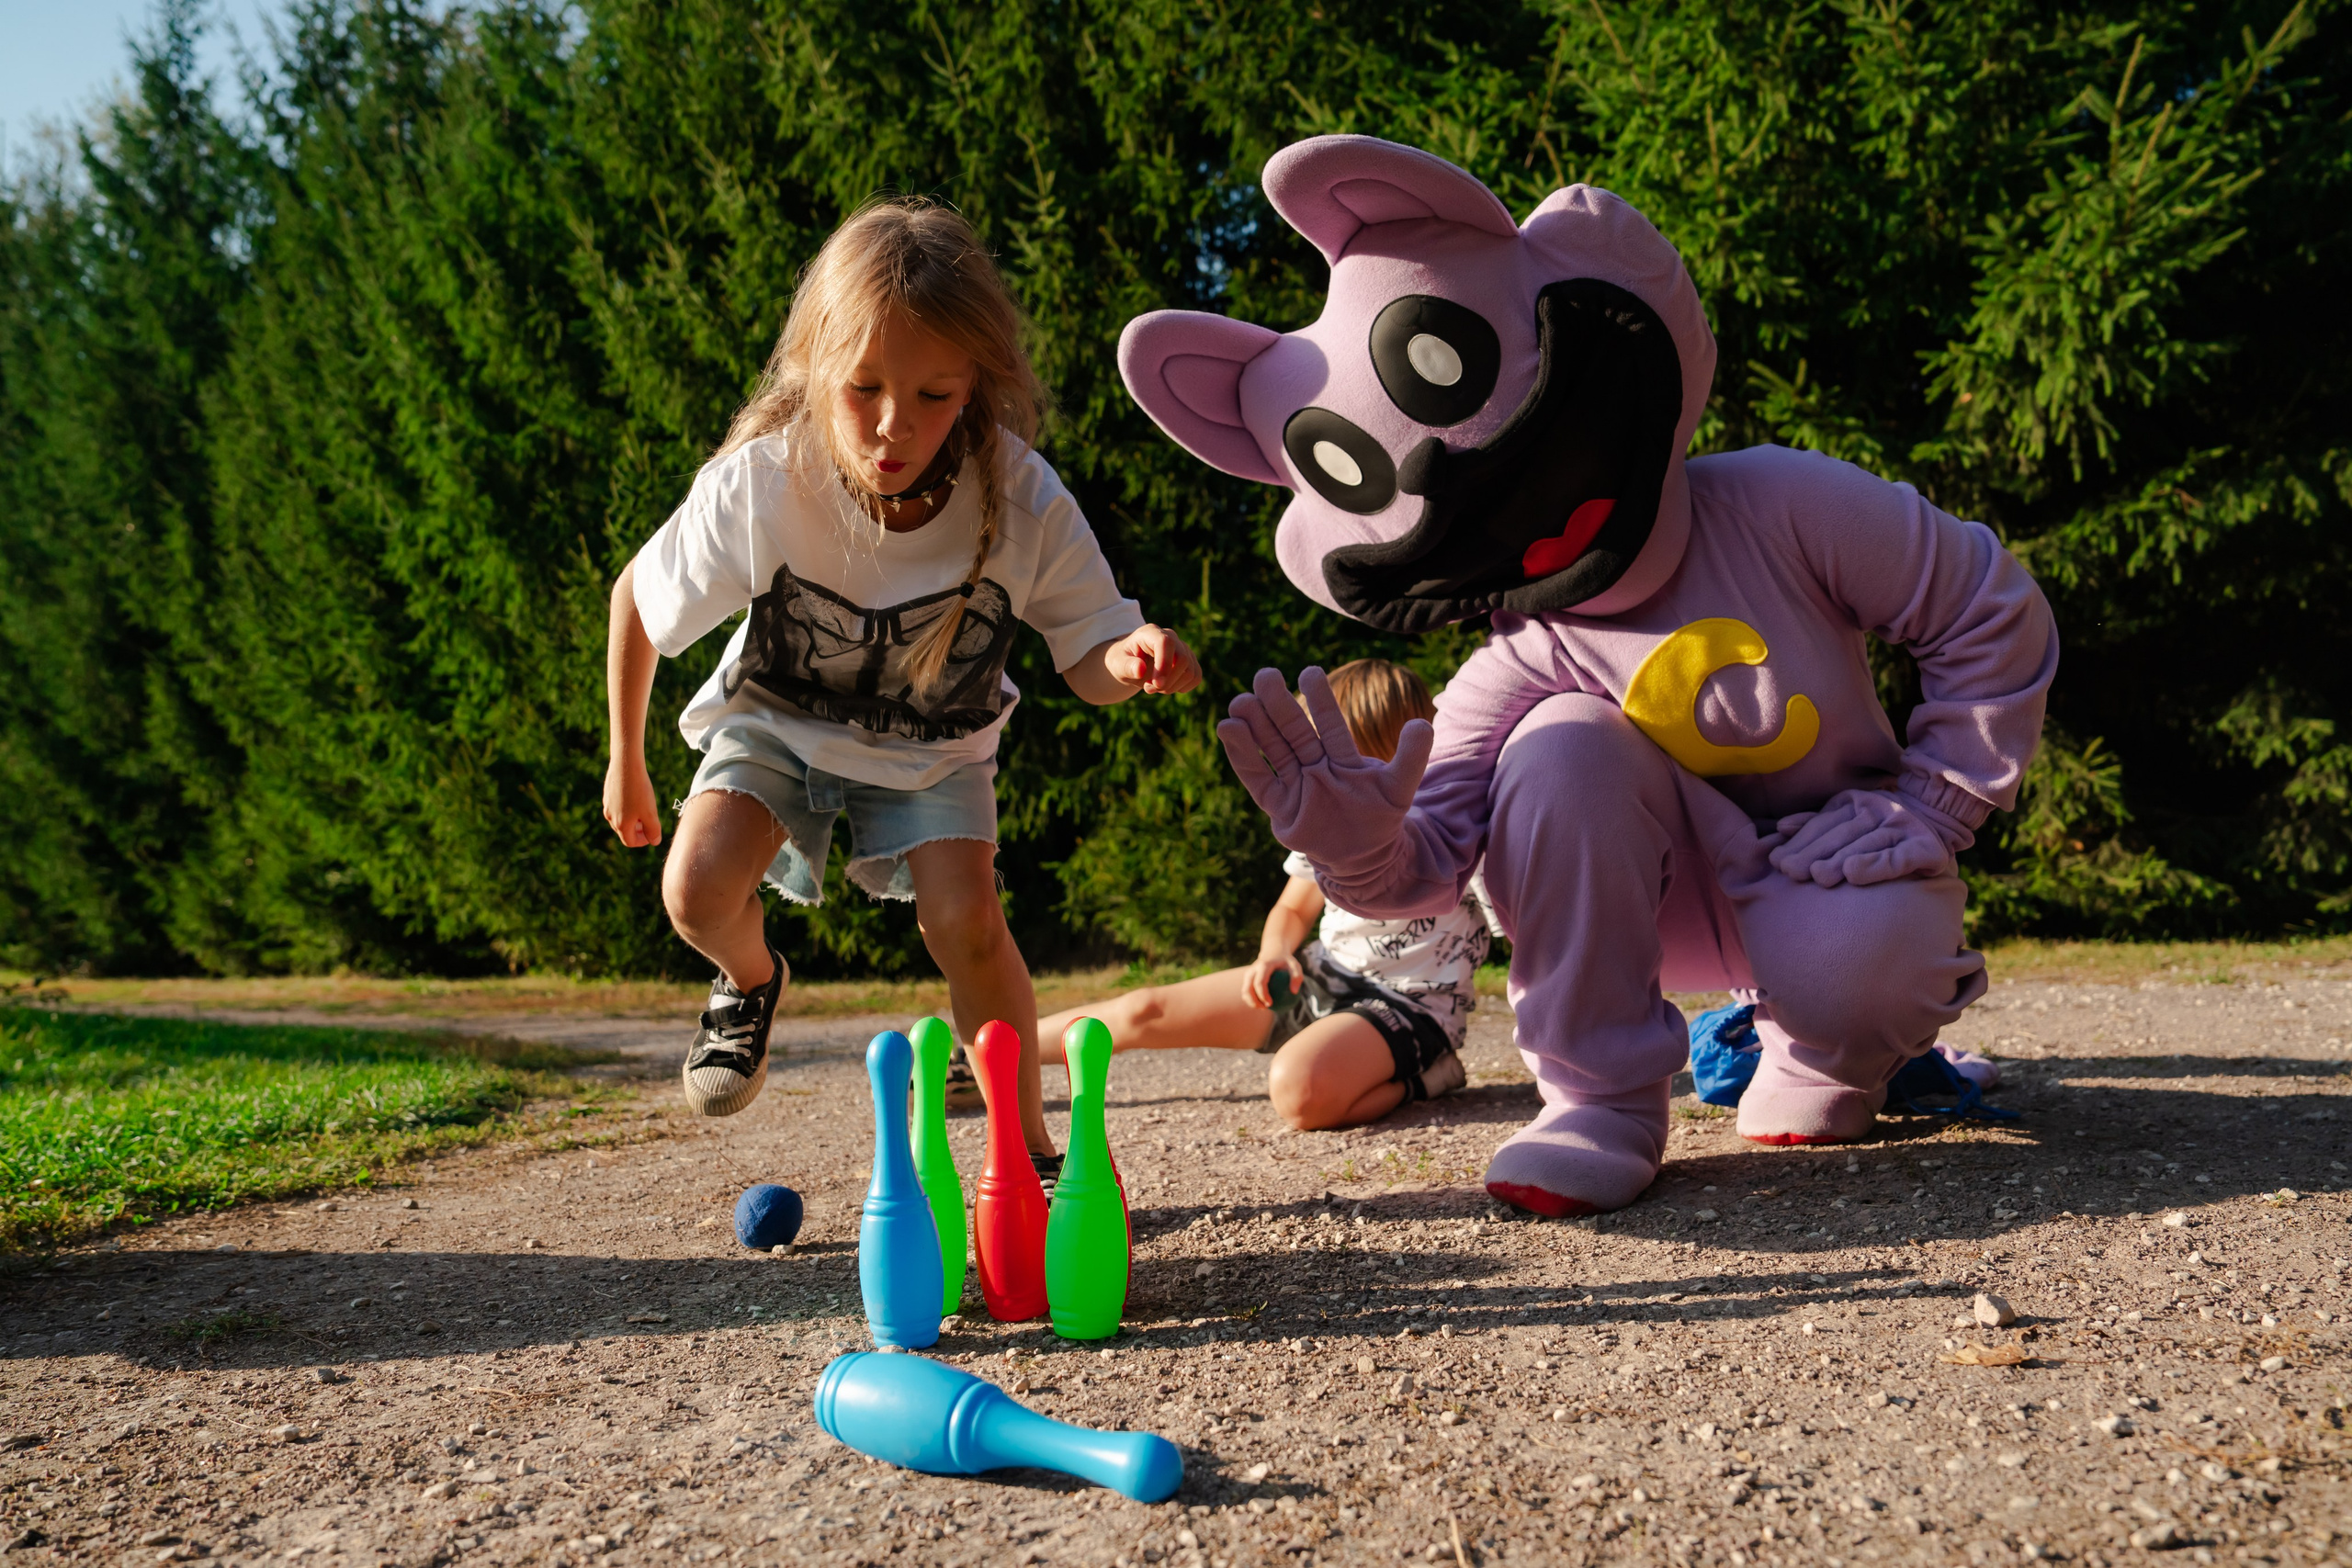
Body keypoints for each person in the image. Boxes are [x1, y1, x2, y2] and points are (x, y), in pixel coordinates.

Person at [603, 197, 1201, 1190]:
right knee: (695, 889)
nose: (894, 427)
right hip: (779, 724)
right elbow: (638, 596)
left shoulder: (1022, 497)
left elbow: (1088, 657)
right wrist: (626, 759)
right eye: (863, 389)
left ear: (976, 381)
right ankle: (752, 983)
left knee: (965, 924)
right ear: (813, 372)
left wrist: (1131, 656)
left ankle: (1029, 1151)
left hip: (933, 748)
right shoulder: (769, 481)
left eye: (932, 395)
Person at [1038, 660, 1498, 1130]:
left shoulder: (1453, 822)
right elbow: (1294, 906)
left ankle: (1429, 1077)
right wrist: (1275, 953)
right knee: (1144, 1010)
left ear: (1374, 746)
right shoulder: (1329, 820)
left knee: (1299, 1091)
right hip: (1322, 976)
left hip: (1412, 1006)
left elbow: (1526, 931)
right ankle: (988, 1057)